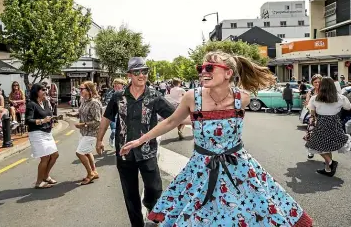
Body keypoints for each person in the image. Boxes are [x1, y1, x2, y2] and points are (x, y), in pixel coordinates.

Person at [120, 51, 313, 226]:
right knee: (200, 217)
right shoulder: (191, 97)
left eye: (210, 67)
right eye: (201, 68)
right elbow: (171, 122)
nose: (203, 71)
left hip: (239, 169)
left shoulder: (242, 98)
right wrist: (140, 140)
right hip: (200, 169)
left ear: (228, 73)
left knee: (248, 214)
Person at [96, 57, 176, 227]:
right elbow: (106, 118)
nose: (142, 75)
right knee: (130, 194)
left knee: (155, 189)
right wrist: (99, 139)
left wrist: (202, 119)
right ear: (129, 75)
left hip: (148, 152)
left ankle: (151, 208)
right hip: (124, 154)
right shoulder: (118, 97)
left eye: (145, 71)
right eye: (137, 72)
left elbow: (174, 117)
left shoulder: (155, 96)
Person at [305, 77, 351, 177]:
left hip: (321, 123)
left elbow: (311, 111)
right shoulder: (340, 97)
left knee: (313, 145)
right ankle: (328, 169)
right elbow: (348, 107)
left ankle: (330, 163)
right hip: (335, 123)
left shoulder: (315, 98)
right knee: (327, 147)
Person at [25, 83, 59, 189]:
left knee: (54, 155)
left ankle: (45, 176)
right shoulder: (31, 104)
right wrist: (42, 121)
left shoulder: (45, 101)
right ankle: (39, 182)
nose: (45, 91)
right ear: (36, 91)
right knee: (45, 157)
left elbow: (48, 113)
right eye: (42, 90)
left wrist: (50, 121)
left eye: (45, 89)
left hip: (47, 132)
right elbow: (28, 120)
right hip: (36, 133)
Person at [74, 81, 102, 185]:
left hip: (92, 133)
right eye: (79, 89)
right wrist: (74, 115)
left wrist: (83, 124)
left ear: (89, 91)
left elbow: (97, 121)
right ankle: (94, 171)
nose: (80, 91)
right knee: (87, 152)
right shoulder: (84, 100)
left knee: (79, 152)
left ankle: (90, 174)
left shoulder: (94, 103)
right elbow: (82, 112)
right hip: (83, 132)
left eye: (82, 89)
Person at [304, 74, 322, 159]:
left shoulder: (325, 91)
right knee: (311, 134)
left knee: (323, 135)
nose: (317, 83)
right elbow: (307, 104)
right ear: (312, 83)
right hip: (313, 116)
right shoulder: (310, 92)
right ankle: (311, 151)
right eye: (315, 82)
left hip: (323, 116)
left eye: (319, 82)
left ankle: (325, 154)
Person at [108, 78, 127, 147]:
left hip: (123, 116)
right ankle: (111, 138)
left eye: (118, 86)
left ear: (122, 85)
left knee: (122, 133)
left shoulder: (126, 93)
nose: (116, 87)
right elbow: (108, 104)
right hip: (113, 116)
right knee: (114, 130)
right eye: (115, 86)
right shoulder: (110, 93)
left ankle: (121, 146)